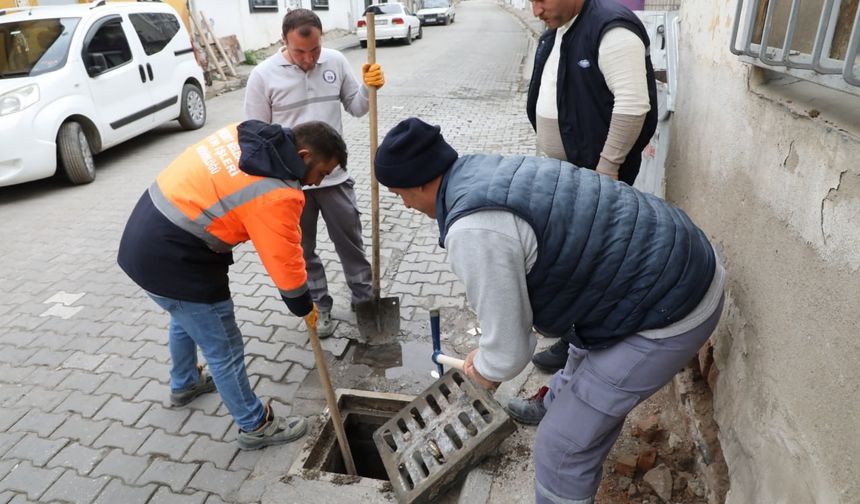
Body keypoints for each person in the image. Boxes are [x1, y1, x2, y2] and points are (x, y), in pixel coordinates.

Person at [374, 118, 725, 504]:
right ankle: (558, 402)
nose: (404, 205)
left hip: (671, 307)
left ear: (421, 181)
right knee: (579, 352)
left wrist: (485, 370)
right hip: (666, 262)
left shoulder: (475, 230)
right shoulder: (479, 171)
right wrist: (493, 356)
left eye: (399, 194)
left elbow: (509, 353)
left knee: (561, 448)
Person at [117, 119, 347, 451]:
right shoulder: (278, 192)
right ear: (304, 154)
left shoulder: (250, 133)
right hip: (174, 255)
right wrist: (303, 306)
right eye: (323, 172)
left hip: (146, 233)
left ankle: (185, 383)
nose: (317, 182)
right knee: (223, 346)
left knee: (184, 313)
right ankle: (255, 425)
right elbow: (284, 261)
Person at [523, 0, 660, 392]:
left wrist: (607, 169)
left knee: (591, 266)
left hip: (595, 183)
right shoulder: (559, 29)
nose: (535, 10)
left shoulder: (610, 28)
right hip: (568, 179)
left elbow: (634, 105)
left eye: (541, 0)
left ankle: (584, 347)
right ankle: (573, 337)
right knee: (571, 260)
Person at [244, 9, 385, 338]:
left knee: (352, 245)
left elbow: (358, 107)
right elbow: (253, 135)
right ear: (284, 42)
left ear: (322, 40)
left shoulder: (335, 61)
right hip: (290, 187)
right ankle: (320, 307)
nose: (309, 59)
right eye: (299, 52)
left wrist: (368, 87)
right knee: (303, 252)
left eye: (315, 50)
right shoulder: (263, 76)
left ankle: (364, 302)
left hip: (334, 179)